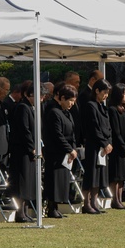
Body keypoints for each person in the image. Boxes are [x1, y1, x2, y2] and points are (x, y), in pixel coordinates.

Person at [43, 84, 78, 218]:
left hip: (66, 152)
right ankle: (51, 207)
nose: (71, 104)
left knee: (63, 180)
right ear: (62, 98)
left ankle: (58, 206)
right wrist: (69, 149)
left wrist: (72, 149)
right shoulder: (54, 112)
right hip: (56, 152)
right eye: (70, 101)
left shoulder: (67, 113)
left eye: (73, 102)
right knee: (54, 180)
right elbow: (57, 134)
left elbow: (72, 133)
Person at [8, 81, 38, 222]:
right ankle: (20, 212)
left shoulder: (30, 107)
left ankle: (25, 211)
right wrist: (32, 147)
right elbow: (24, 130)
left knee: (28, 182)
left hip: (29, 150)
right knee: (22, 183)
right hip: (22, 151)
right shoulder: (22, 107)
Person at [82, 79, 113, 214]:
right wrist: (104, 143)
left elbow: (108, 127)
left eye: (107, 93)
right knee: (91, 174)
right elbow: (94, 127)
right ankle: (86, 202)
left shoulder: (102, 106)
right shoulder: (90, 106)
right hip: (94, 146)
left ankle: (95, 201)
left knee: (99, 175)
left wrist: (109, 142)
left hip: (103, 147)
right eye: (104, 92)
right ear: (97, 91)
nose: (106, 95)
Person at [107, 83, 125, 210]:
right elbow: (116, 132)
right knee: (116, 175)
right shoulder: (112, 110)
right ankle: (114, 199)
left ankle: (120, 198)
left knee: (123, 175)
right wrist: (124, 147)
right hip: (118, 147)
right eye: (124, 94)